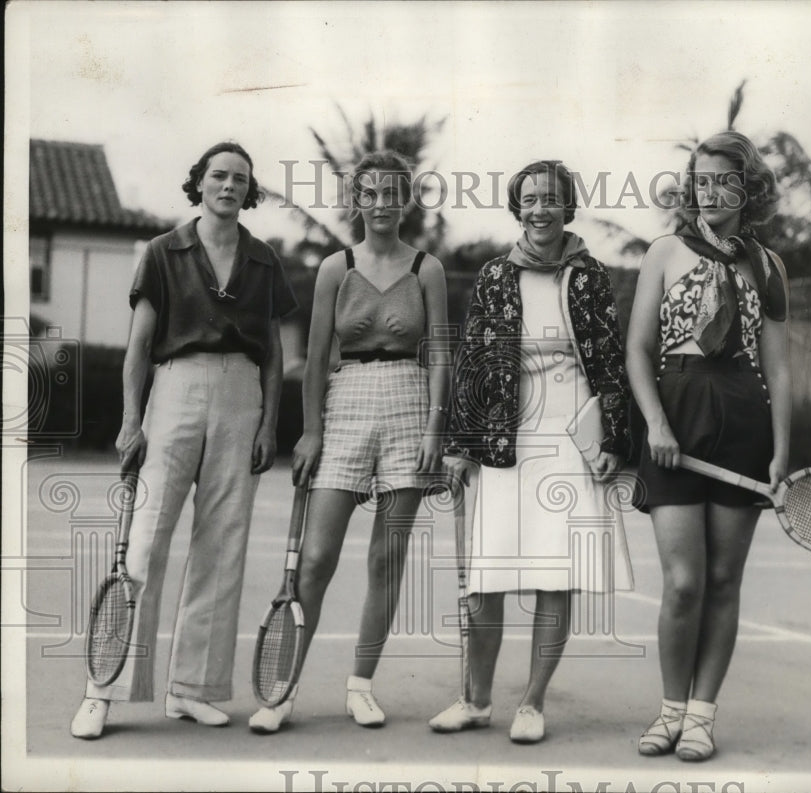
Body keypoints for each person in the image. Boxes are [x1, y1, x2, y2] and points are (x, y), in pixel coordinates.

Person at [70, 141, 297, 739]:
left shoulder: (264, 260)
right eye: (218, 176)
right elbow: (140, 346)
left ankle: (192, 690)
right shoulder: (163, 251)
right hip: (175, 392)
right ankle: (104, 690)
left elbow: (274, 355)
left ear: (251, 191)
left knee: (222, 549)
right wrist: (130, 418)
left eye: (240, 179)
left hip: (241, 399)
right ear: (199, 184)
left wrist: (269, 423)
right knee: (144, 543)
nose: (229, 186)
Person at [428, 160, 632, 744]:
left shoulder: (591, 274)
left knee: (555, 575)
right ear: (518, 209)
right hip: (501, 435)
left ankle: (532, 704)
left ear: (569, 208)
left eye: (551, 199)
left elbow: (610, 361)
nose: (540, 208)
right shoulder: (494, 274)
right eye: (530, 199)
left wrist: (612, 440)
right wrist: (461, 448)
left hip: (570, 436)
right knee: (484, 578)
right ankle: (475, 699)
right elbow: (473, 360)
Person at [248, 150, 449, 733]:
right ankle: (281, 690)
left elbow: (439, 354)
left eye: (393, 193)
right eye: (371, 193)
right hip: (347, 403)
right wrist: (311, 430)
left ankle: (360, 685)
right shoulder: (335, 267)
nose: (382, 204)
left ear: (406, 201)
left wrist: (436, 428)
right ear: (356, 200)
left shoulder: (427, 269)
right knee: (315, 559)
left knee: (387, 559)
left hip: (411, 405)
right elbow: (313, 361)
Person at [626, 131, 790, 761]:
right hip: (676, 410)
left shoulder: (768, 266)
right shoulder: (664, 251)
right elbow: (638, 350)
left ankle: (701, 717)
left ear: (748, 190)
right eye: (701, 180)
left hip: (743, 420)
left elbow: (777, 369)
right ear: (688, 188)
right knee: (685, 582)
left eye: (726, 181)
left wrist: (781, 450)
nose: (711, 192)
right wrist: (657, 426)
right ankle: (669, 711)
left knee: (723, 580)